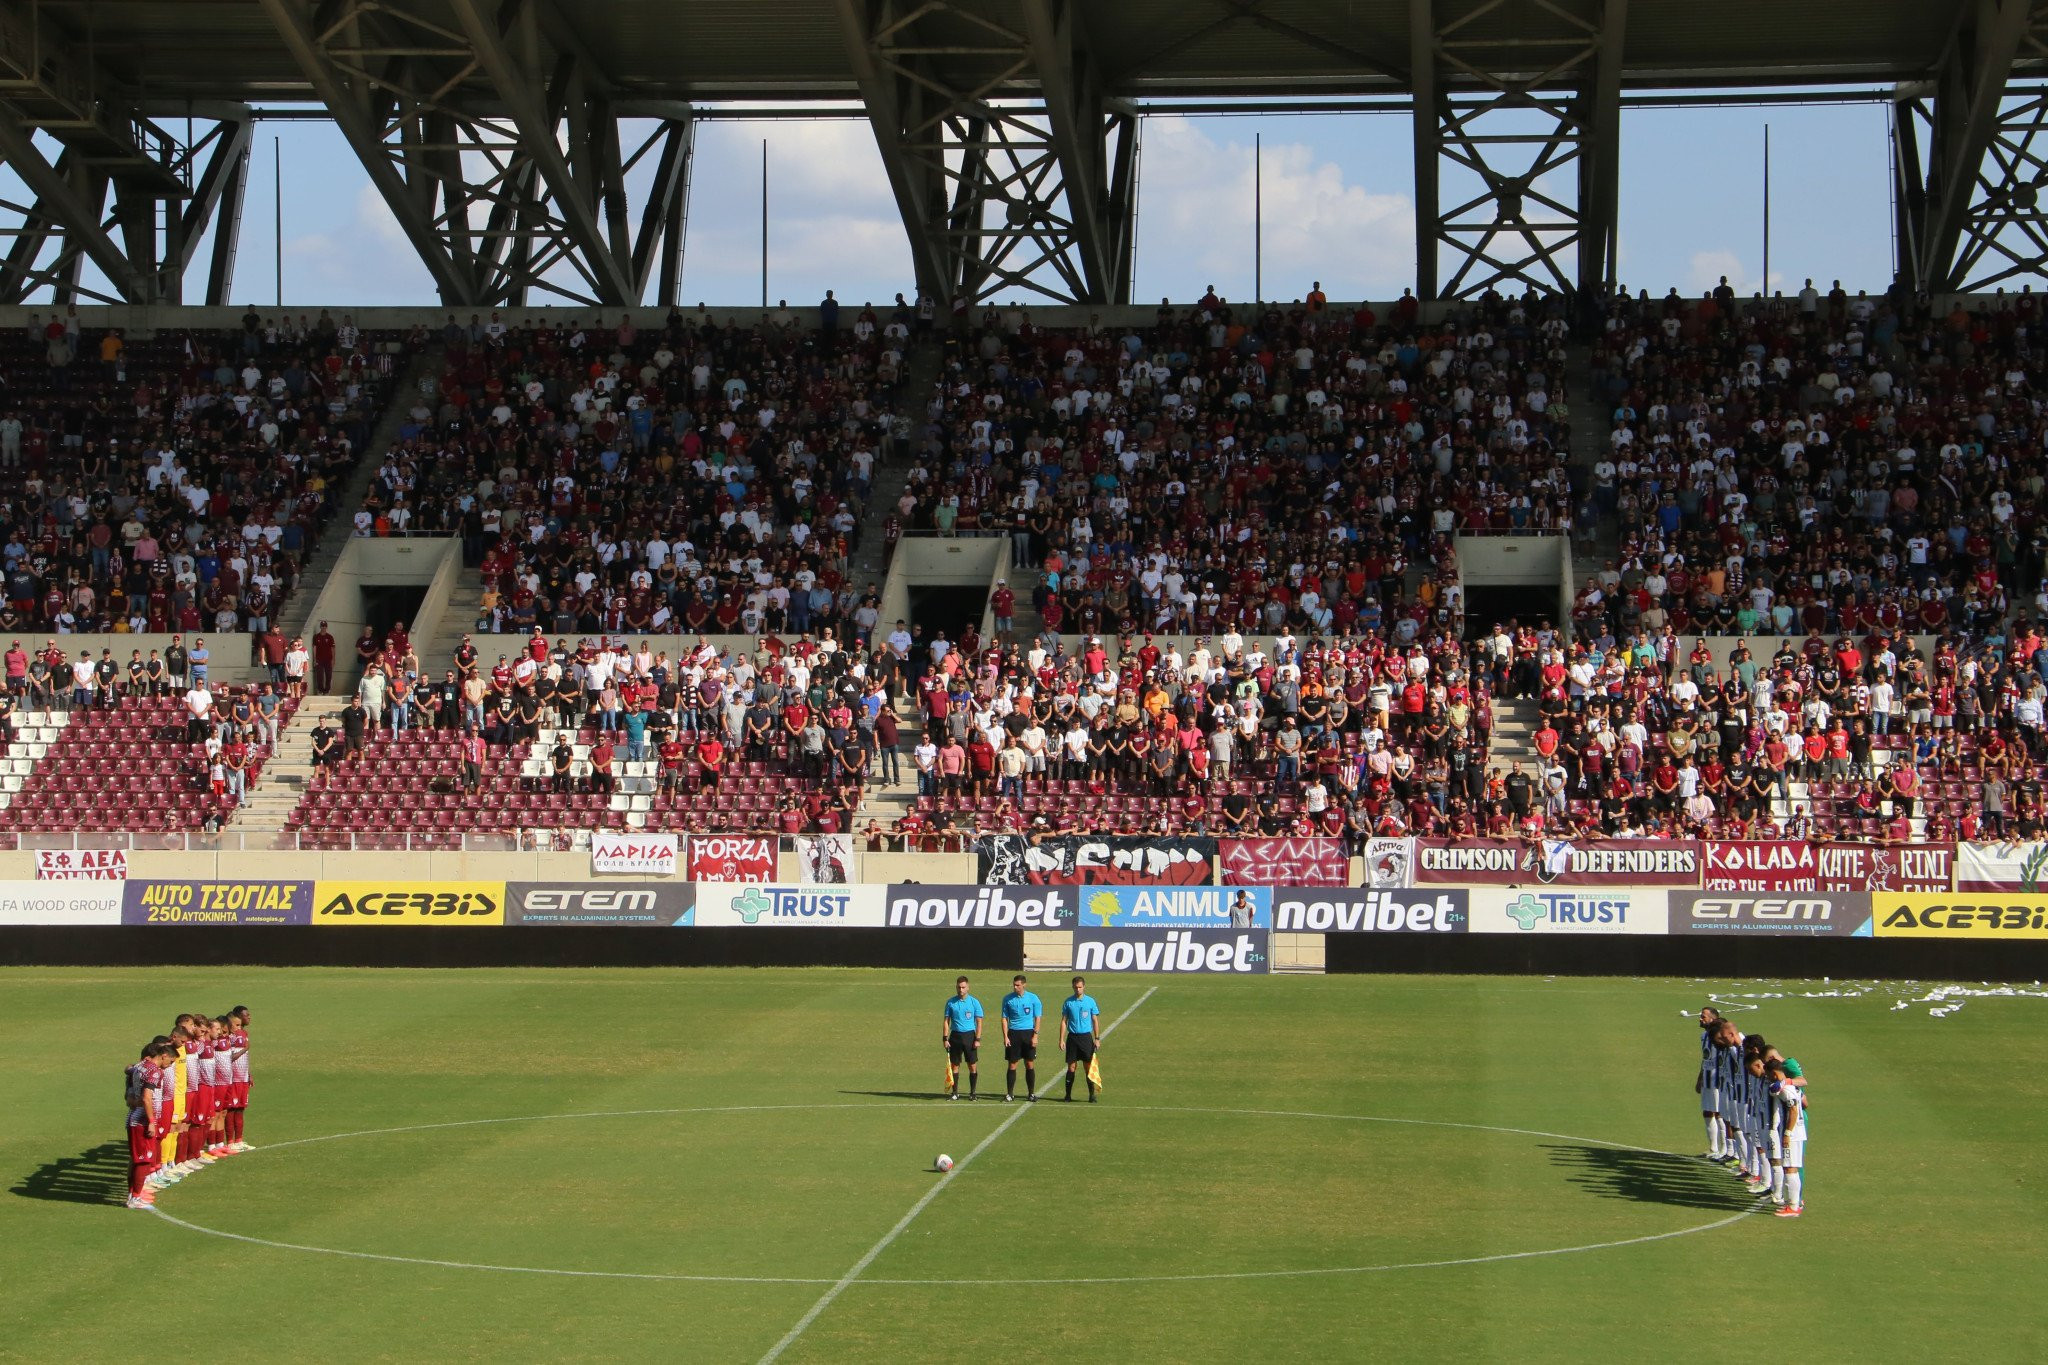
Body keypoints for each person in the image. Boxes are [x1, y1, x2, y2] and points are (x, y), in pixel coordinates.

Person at [124, 1039, 173, 1208]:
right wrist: (152, 1121)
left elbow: (129, 1089)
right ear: (164, 1056)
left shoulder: (140, 1066)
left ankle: (133, 1194)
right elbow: (146, 1097)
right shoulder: (154, 1071)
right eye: (170, 1061)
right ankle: (135, 1198)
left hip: (133, 1117)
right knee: (144, 1160)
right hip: (142, 1121)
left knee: (137, 1159)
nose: (168, 1066)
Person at [1768, 1057, 1806, 1218]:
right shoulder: (1788, 1087)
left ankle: (1793, 1206)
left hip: (1792, 1133)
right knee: (1790, 1167)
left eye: (1768, 1075)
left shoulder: (1786, 1090)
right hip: (1795, 1132)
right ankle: (1794, 1205)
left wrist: (1787, 1133)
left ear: (1774, 1074)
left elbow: (1793, 1111)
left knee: (1790, 1168)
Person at [999, 973, 1043, 1102]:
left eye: (1018, 985)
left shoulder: (1033, 998)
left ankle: (1031, 1093)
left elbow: (1037, 1018)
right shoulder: (1007, 999)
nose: (1015, 987)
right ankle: (1010, 1093)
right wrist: (1006, 1036)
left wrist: (1035, 1035)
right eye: (1014, 984)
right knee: (1012, 1064)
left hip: (1028, 1033)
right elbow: (1004, 1019)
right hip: (1014, 1034)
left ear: (1024, 985)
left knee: (1029, 1063)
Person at [1059, 975, 1101, 1102]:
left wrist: (1097, 1038)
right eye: (1076, 987)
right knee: (1071, 1067)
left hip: (1086, 1038)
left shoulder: (1090, 1002)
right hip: (1072, 1038)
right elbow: (1064, 1021)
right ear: (1072, 987)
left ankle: (1091, 1095)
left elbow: (1095, 1020)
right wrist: (1061, 1039)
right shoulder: (1068, 1002)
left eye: (1080, 987)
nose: (1078, 990)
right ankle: (1068, 1095)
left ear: (1084, 987)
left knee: (1088, 1067)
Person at [942, 975, 984, 1100]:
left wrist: (977, 1039)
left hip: (970, 1036)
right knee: (955, 1065)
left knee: (972, 1065)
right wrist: (945, 1038)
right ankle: (955, 1093)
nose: (961, 990)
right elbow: (946, 1021)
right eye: (959, 987)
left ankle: (973, 1093)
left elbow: (979, 1021)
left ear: (968, 988)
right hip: (955, 1036)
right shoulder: (950, 1002)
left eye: (963, 987)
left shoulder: (974, 1002)